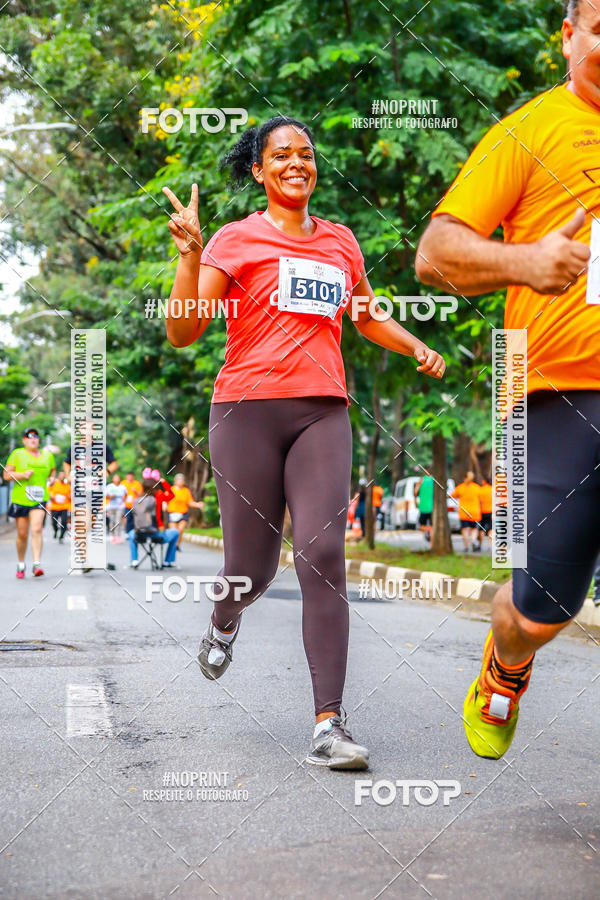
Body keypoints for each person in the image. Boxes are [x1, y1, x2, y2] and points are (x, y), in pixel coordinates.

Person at [163, 114, 445, 769]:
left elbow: (365, 312)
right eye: (281, 155)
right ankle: (224, 617)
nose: (297, 163)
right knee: (253, 570)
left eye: (306, 154)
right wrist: (189, 255)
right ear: (259, 170)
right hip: (246, 414)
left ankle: (329, 725)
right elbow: (182, 332)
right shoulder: (234, 241)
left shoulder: (342, 242)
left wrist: (415, 345)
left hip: (323, 411)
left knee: (322, 552)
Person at [415, 0, 600, 759]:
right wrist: (526, 263)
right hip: (550, 394)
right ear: (568, 35)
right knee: (539, 611)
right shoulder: (532, 130)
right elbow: (435, 253)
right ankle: (507, 660)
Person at [63, 419, 118, 573]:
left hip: (96, 493)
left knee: (89, 526)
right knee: (83, 524)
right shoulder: (74, 448)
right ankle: (85, 559)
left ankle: (81, 551)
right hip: (80, 492)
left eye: (90, 428)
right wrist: (68, 476)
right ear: (79, 430)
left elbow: (113, 463)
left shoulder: (102, 447)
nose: (87, 431)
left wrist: (106, 471)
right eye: (84, 428)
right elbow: (66, 463)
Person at [4, 427, 56, 578]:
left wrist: (52, 479)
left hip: (39, 499)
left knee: (37, 529)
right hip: (20, 499)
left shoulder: (47, 456)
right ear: (24, 440)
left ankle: (36, 564)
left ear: (39, 440)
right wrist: (22, 474)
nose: (33, 439)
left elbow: (53, 470)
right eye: (29, 437)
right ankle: (21, 563)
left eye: (36, 437)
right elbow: (6, 475)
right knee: (22, 534)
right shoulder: (17, 454)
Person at [128, 473, 179, 568]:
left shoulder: (138, 499)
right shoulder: (159, 497)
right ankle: (167, 561)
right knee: (175, 532)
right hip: (157, 534)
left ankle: (134, 560)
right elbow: (172, 495)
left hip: (139, 534)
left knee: (131, 534)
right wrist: (164, 482)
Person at [167, 473, 204, 549]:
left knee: (180, 530)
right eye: (179, 480)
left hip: (183, 513)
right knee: (173, 531)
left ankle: (177, 545)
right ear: (175, 481)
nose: (181, 481)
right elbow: (164, 499)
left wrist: (197, 504)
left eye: (182, 480)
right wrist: (164, 504)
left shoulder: (186, 491)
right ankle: (172, 545)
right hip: (172, 513)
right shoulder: (170, 490)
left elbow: (189, 502)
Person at [451, 471, 482, 552]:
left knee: (465, 529)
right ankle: (473, 540)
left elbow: (452, 496)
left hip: (463, 512)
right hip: (475, 512)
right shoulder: (477, 487)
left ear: (464, 478)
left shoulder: (460, 487)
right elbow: (481, 499)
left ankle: (466, 547)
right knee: (474, 529)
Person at [48, 470, 71, 542]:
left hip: (64, 507)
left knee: (64, 522)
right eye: (61, 475)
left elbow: (70, 495)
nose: (62, 477)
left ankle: (61, 537)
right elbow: (48, 491)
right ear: (58, 476)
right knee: (54, 522)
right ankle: (56, 530)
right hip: (55, 507)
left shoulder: (67, 486)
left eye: (63, 475)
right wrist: (52, 496)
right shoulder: (54, 484)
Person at [106, 473, 127, 543]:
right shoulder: (109, 486)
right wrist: (111, 497)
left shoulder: (123, 487)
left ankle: (118, 536)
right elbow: (106, 496)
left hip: (120, 506)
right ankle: (113, 536)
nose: (116, 479)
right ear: (113, 479)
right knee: (112, 521)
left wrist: (123, 500)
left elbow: (126, 495)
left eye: (118, 478)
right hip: (111, 506)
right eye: (115, 478)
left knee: (118, 521)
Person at [414, 469, 434, 543]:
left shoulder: (421, 480)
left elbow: (415, 492)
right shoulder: (434, 480)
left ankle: (428, 530)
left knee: (421, 526)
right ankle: (432, 542)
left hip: (423, 506)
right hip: (433, 507)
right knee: (432, 526)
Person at [477, 474, 494, 552]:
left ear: (484, 481)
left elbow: (479, 501)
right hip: (491, 512)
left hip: (482, 512)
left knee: (481, 529)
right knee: (491, 529)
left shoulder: (481, 490)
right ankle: (490, 545)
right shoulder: (493, 490)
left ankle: (480, 545)